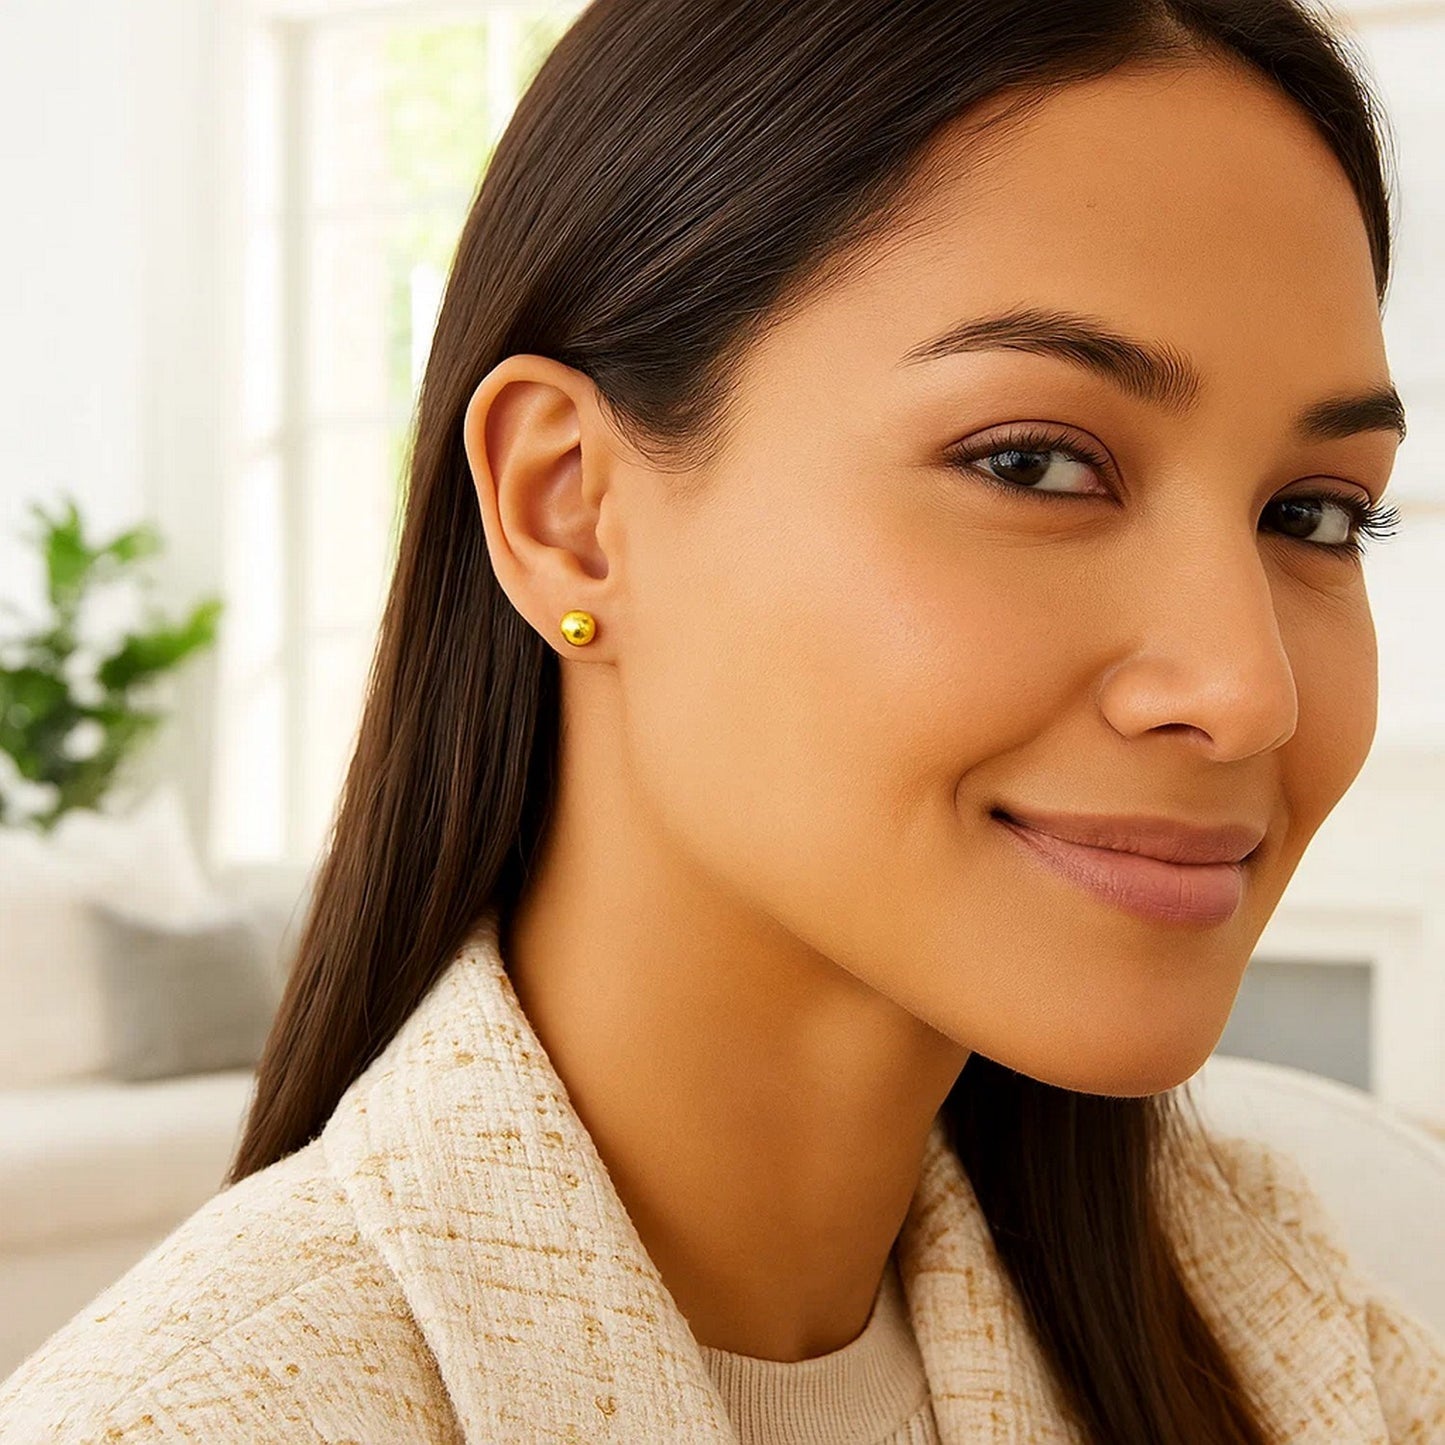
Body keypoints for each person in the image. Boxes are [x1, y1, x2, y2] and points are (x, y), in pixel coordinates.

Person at [5, 0, 1444, 1440]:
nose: (1246, 688)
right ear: (568, 509)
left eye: (1315, 514)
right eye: (1033, 464)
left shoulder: (1277, 1312)